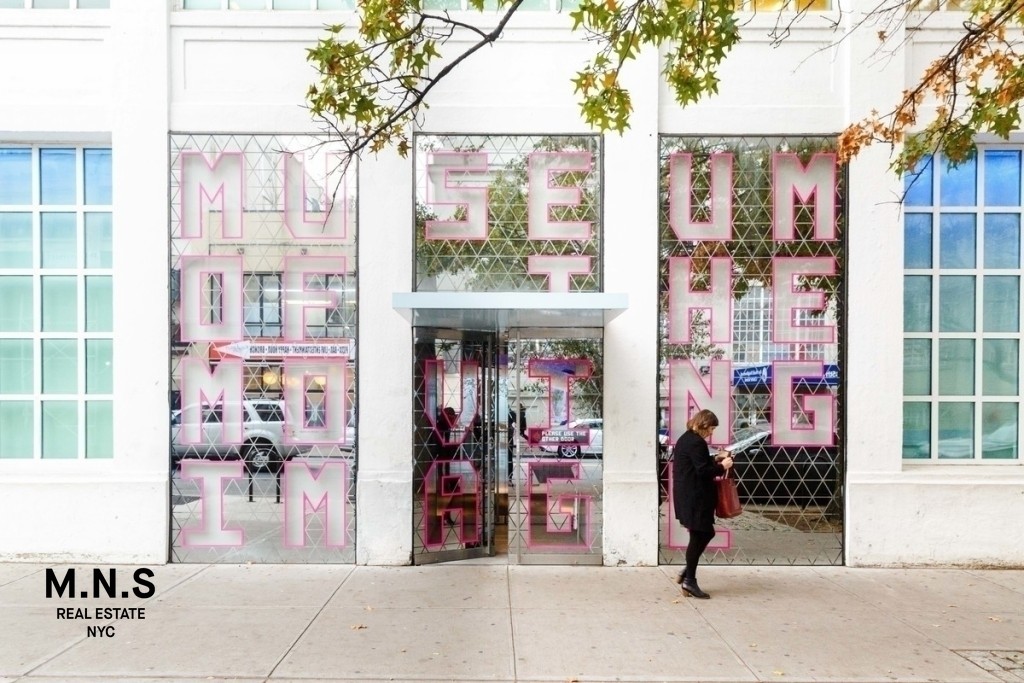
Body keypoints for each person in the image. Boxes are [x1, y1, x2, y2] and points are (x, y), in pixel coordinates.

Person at [671, 408, 734, 599]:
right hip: (695, 497)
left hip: (689, 496)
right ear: (704, 425)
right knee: (701, 534)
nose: (711, 433)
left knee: (701, 534)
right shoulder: (697, 442)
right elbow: (703, 472)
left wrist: (715, 458)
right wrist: (722, 466)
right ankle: (689, 580)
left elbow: (697, 463)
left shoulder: (687, 438)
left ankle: (688, 573)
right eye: (711, 428)